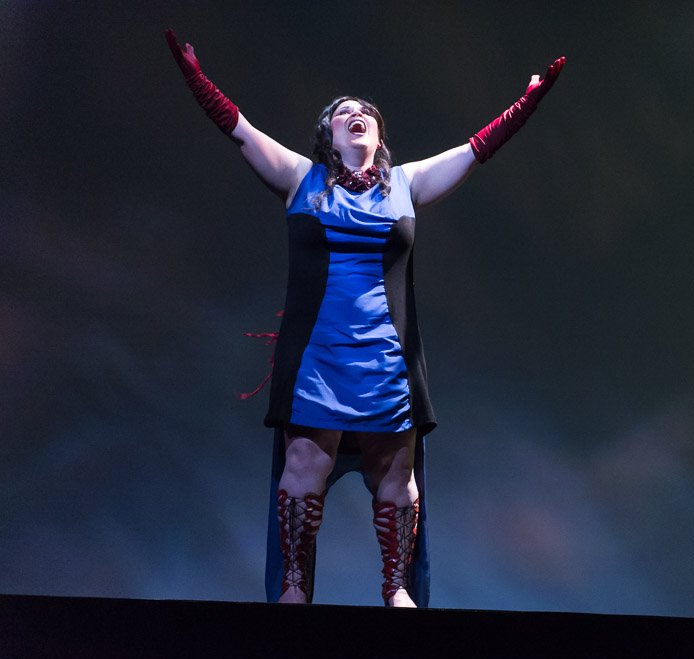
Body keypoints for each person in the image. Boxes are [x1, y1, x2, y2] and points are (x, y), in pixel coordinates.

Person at [165, 28, 564, 608]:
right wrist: (195, 77)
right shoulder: (300, 179)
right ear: (328, 135)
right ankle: (295, 587)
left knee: (396, 475)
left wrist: (528, 102)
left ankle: (396, 587)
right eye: (342, 113)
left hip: (385, 360)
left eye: (365, 113)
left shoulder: (406, 184)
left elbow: (477, 148)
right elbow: (238, 129)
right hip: (317, 358)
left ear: (378, 135)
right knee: (304, 464)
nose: (355, 115)